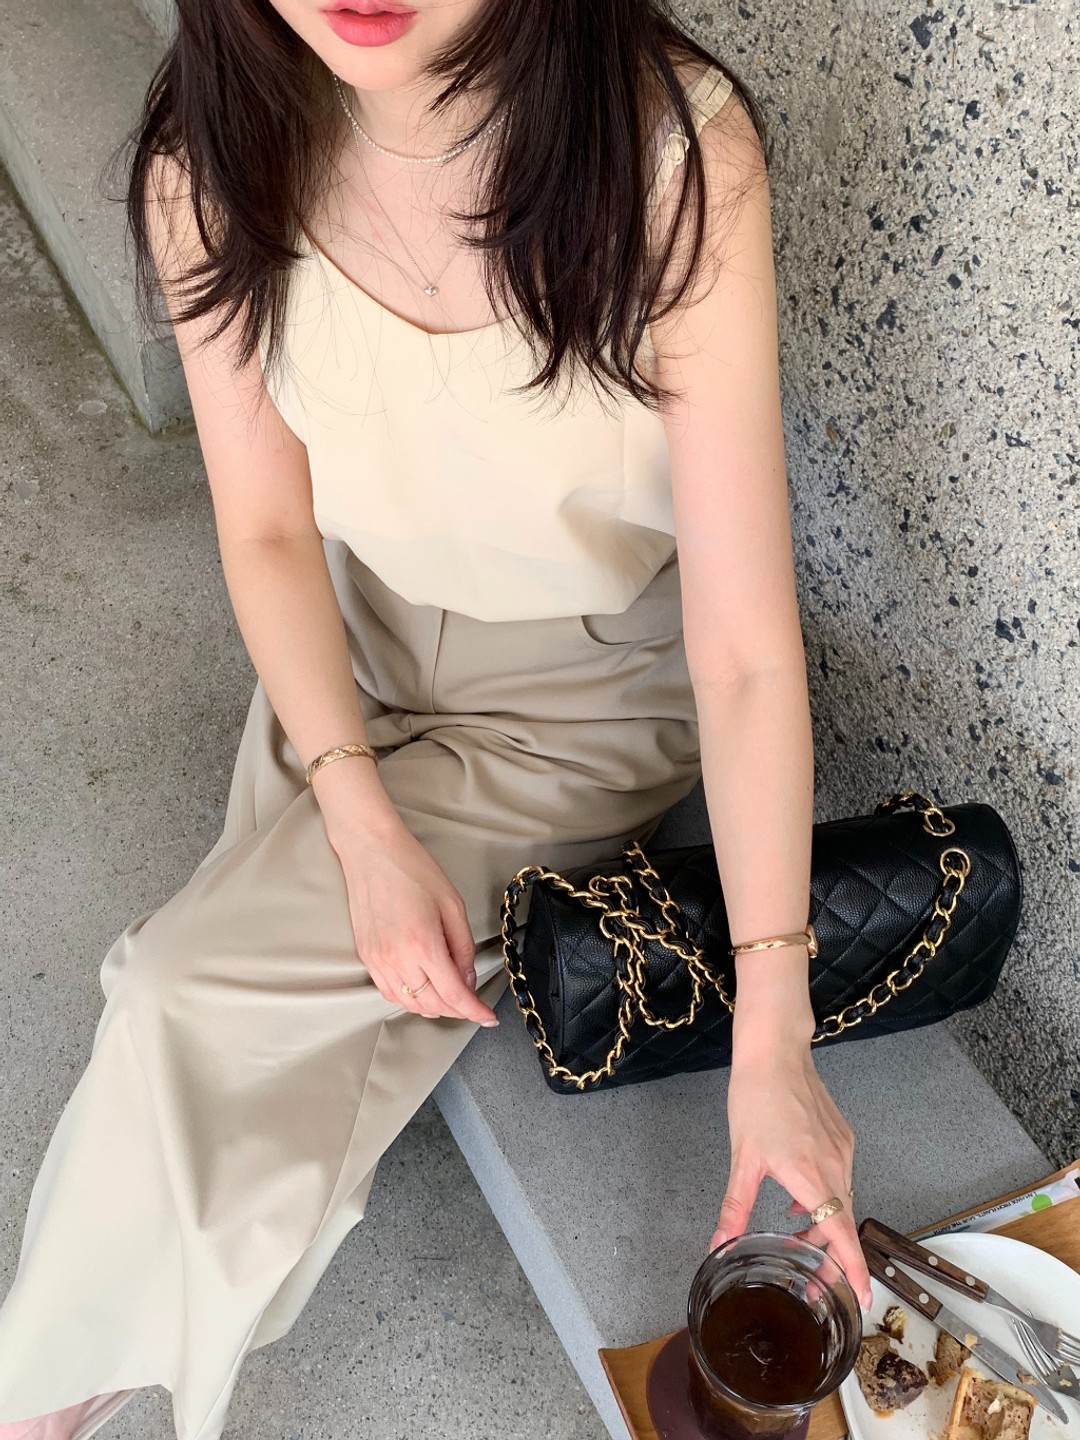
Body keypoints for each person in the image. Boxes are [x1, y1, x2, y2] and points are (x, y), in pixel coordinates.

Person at [0, 0, 875, 1436]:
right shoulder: (210, 153)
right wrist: (359, 817)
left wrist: (772, 1034)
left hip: (581, 694)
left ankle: (42, 1399)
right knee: (244, 992)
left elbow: (741, 653)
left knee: (177, 992)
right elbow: (267, 531)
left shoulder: (670, 159)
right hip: (352, 640)